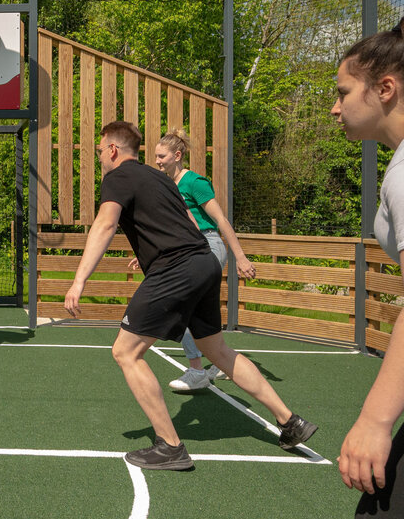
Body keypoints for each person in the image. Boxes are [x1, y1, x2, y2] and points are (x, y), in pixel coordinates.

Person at [65, 121, 317, 471]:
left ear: (112, 150)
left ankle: (170, 446)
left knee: (125, 351)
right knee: (217, 350)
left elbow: (105, 225)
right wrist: (154, 249)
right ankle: (291, 423)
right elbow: (190, 224)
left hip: (178, 266)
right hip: (204, 261)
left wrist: (79, 281)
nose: (99, 158)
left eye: (99, 150)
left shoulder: (117, 178)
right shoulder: (161, 179)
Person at [330, 13, 404, 517]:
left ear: (386, 89)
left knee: (383, 507)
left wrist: (374, 422)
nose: (335, 108)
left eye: (344, 92)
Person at [147, 129, 257, 391]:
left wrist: (240, 257)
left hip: (208, 245)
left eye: (161, 156)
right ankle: (219, 361)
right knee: (196, 310)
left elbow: (220, 221)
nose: (157, 161)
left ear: (177, 155)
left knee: (181, 305)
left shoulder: (195, 183)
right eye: (155, 156)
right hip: (186, 249)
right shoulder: (168, 185)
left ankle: (197, 369)